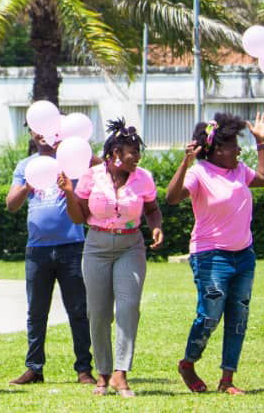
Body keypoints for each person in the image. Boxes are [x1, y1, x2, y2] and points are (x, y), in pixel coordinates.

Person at [165, 111, 264, 396]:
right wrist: (185, 162)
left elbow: (263, 178)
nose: (239, 149)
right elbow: (172, 198)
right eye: (233, 144)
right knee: (210, 315)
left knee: (238, 317)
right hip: (210, 256)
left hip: (244, 256)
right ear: (215, 149)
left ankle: (227, 379)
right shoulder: (199, 172)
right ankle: (188, 363)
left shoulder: (239, 169)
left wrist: (261, 142)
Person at [63, 119, 163, 398]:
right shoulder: (91, 176)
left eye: (138, 152)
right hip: (96, 245)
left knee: (128, 307)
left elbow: (153, 208)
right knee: (98, 313)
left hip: (131, 246)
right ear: (114, 153)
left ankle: (121, 373)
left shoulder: (143, 177)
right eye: (132, 152)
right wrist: (70, 194)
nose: (137, 157)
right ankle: (103, 374)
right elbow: (78, 216)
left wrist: (156, 226)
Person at [5, 128, 95, 385]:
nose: (42, 133)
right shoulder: (25, 165)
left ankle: (83, 369)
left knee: (78, 309)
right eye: (36, 129)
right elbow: (11, 204)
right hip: (37, 250)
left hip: (72, 246)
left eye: (48, 128)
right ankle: (34, 368)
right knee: (36, 311)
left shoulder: (72, 160)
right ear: (31, 132)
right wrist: (28, 185)